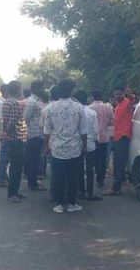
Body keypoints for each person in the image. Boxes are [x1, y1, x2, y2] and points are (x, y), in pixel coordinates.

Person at [43, 80, 86, 213]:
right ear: (72, 91)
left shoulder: (50, 107)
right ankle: (72, 203)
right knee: (73, 177)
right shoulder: (79, 107)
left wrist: (46, 147)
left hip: (57, 147)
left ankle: (59, 204)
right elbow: (83, 131)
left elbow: (47, 131)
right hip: (74, 147)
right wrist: (84, 146)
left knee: (58, 177)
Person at [1, 81, 28, 202]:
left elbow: (6, 121)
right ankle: (12, 193)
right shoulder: (15, 103)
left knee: (14, 166)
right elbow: (12, 122)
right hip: (16, 138)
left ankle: (14, 192)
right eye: (20, 89)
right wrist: (9, 131)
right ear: (17, 90)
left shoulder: (6, 102)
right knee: (16, 168)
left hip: (10, 139)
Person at [109, 88, 135, 195]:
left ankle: (116, 187)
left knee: (119, 163)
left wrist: (129, 95)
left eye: (119, 94)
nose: (117, 96)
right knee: (117, 162)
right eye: (115, 94)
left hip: (123, 136)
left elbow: (132, 100)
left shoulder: (127, 103)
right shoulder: (118, 105)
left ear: (123, 95)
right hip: (117, 136)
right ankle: (118, 184)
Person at [89, 89, 114, 199]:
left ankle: (96, 177)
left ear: (92, 97)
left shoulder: (90, 108)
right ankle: (101, 178)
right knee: (103, 159)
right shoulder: (108, 108)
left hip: (94, 138)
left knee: (94, 159)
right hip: (105, 137)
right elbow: (113, 122)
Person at [24, 81, 47, 191]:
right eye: (42, 87)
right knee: (33, 160)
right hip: (34, 134)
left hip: (38, 134)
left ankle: (33, 182)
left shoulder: (36, 100)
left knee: (35, 159)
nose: (43, 90)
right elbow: (25, 117)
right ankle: (32, 183)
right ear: (37, 88)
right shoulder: (32, 101)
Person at [76, 90, 99, 200]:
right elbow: (95, 130)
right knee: (90, 170)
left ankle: (81, 191)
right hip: (90, 144)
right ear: (86, 100)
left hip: (77, 145)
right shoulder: (92, 113)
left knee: (79, 169)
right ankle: (90, 193)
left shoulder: (74, 111)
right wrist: (96, 140)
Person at [0, 83, 11, 187]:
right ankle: (2, 179)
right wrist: (3, 131)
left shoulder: (3, 102)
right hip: (4, 133)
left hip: (4, 132)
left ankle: (4, 178)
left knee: (6, 157)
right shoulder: (1, 103)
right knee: (4, 157)